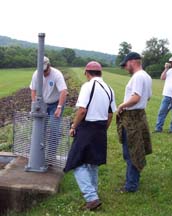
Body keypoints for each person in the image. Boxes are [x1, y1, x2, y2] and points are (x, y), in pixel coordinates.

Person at [64, 61, 116, 210]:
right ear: (100, 73)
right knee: (92, 162)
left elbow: (82, 110)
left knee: (76, 162)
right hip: (101, 127)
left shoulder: (88, 86)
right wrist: (103, 129)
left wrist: (74, 126)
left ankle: (91, 197)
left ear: (87, 73)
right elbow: (111, 113)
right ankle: (94, 193)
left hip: (87, 127)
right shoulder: (109, 89)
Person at [117, 52, 152, 192]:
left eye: (126, 64)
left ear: (132, 62)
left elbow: (136, 98)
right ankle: (134, 179)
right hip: (140, 116)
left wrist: (122, 106)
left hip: (131, 118)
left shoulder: (137, 77)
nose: (125, 67)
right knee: (137, 149)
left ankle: (131, 185)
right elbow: (147, 97)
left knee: (131, 152)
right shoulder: (147, 76)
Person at [30, 56, 68, 165]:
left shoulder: (57, 74)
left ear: (49, 66)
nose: (44, 73)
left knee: (54, 129)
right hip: (42, 104)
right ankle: (39, 153)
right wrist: (35, 104)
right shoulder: (36, 74)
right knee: (40, 128)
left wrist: (59, 107)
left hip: (55, 104)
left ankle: (51, 156)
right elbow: (33, 90)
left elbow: (64, 91)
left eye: (45, 71)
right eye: (42, 71)